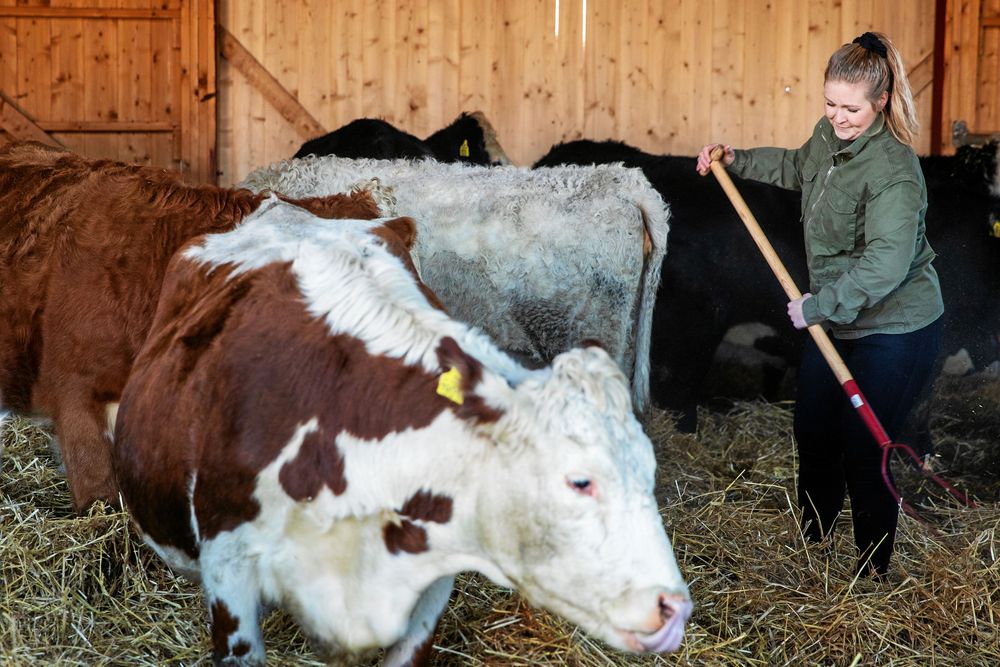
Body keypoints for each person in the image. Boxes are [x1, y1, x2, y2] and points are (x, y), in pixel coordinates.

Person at [696, 31, 944, 577]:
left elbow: (885, 266)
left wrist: (818, 307)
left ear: (880, 103)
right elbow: (796, 167)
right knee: (813, 432)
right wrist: (738, 159)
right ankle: (814, 549)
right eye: (830, 104)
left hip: (893, 325)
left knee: (863, 447)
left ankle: (871, 570)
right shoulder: (826, 137)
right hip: (835, 316)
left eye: (851, 108)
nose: (838, 117)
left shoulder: (894, 173)